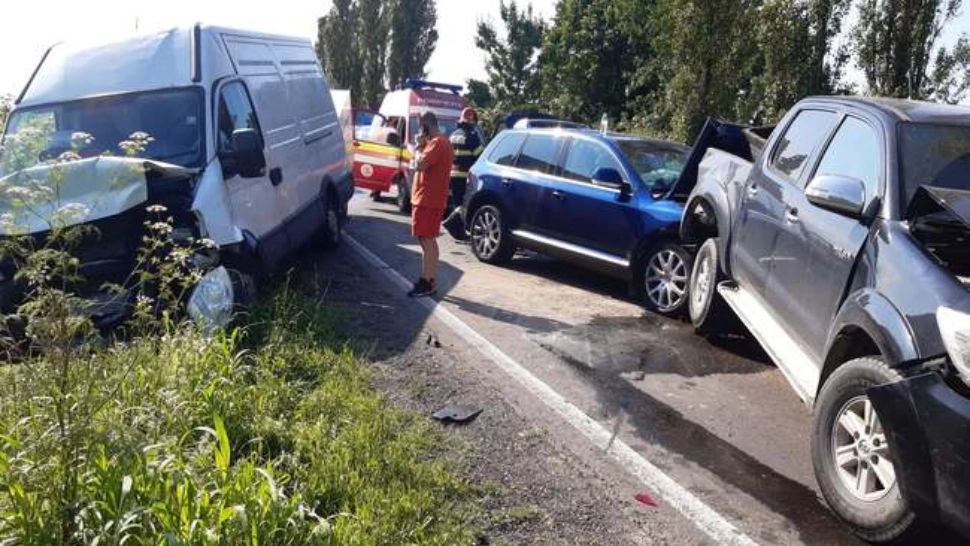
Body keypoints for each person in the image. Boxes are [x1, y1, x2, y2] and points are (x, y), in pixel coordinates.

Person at [408, 111, 454, 298]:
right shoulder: (443, 143)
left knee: (426, 239)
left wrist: (419, 146)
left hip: (427, 199)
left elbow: (420, 165)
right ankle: (430, 278)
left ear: (426, 127)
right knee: (428, 239)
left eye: (421, 128)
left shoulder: (436, 144)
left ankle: (427, 281)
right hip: (432, 198)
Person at [442, 107, 484, 241]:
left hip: (453, 173)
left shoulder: (454, 134)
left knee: (458, 202)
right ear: (472, 121)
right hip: (465, 174)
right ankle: (451, 223)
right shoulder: (471, 134)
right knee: (464, 204)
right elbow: (479, 155)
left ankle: (458, 231)